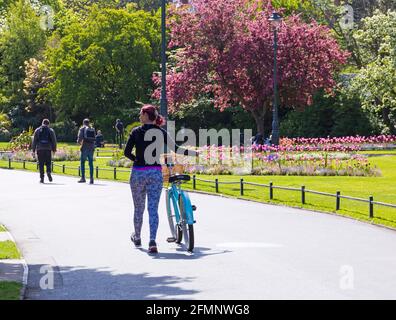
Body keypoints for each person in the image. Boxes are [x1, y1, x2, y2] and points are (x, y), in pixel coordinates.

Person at [124, 105, 198, 254]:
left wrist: (136, 159)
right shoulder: (160, 132)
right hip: (154, 173)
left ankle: (137, 237)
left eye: (141, 113)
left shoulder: (136, 132)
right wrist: (193, 153)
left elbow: (126, 152)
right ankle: (152, 241)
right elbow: (176, 148)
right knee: (153, 209)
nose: (139, 116)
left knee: (138, 208)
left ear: (146, 115)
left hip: (138, 173)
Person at [32, 119, 57, 183]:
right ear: (48, 124)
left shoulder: (37, 130)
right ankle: (48, 172)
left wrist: (33, 151)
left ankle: (42, 178)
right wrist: (54, 150)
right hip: (48, 149)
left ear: (42, 123)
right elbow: (54, 141)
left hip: (40, 149)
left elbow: (34, 141)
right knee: (48, 163)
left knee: (41, 164)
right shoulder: (51, 130)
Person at [77, 118, 96, 184]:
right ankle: (91, 178)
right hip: (91, 148)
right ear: (89, 122)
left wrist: (79, 143)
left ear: (83, 123)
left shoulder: (82, 129)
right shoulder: (92, 129)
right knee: (91, 163)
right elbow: (94, 138)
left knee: (82, 163)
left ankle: (83, 178)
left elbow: (79, 139)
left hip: (85, 147)